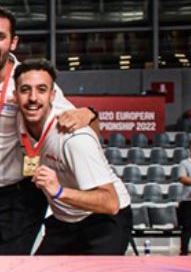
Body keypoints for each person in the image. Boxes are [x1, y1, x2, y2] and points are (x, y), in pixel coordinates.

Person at [0, 6, 97, 255]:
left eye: (0, 36)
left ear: (13, 42)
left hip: (21, 194)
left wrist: (89, 114)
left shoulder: (28, 82)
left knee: (12, 269)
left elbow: (86, 125)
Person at [14, 58, 133, 256]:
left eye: (41, 90)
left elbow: (110, 203)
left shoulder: (73, 137)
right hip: (65, 221)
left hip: (103, 219)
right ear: (15, 96)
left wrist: (59, 191)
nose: (33, 97)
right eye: (25, 90)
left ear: (53, 95)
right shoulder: (19, 120)